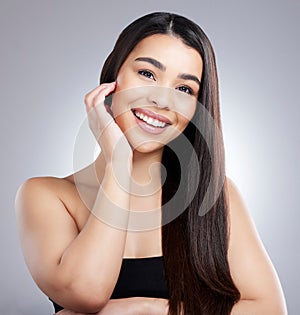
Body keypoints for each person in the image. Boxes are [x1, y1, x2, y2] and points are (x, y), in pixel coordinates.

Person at [15, 12, 287, 315]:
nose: (161, 100)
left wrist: (146, 308)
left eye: (184, 89)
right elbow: (86, 294)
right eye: (147, 74)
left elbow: (271, 309)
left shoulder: (214, 195)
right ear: (111, 79)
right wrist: (120, 163)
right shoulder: (46, 195)